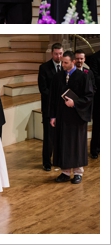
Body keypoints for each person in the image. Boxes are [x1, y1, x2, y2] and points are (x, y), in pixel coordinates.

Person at [50, 51, 94, 185]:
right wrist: (53, 116)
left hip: (77, 117)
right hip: (62, 117)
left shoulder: (83, 77)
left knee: (76, 145)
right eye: (62, 62)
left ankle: (78, 173)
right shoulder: (58, 77)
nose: (62, 64)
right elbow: (52, 98)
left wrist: (75, 103)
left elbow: (89, 96)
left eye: (65, 62)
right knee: (63, 144)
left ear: (73, 62)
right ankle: (65, 172)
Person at [38, 43, 64, 170]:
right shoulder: (44, 68)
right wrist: (58, 97)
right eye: (56, 54)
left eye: (60, 54)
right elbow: (43, 89)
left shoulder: (66, 67)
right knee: (48, 137)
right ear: (51, 54)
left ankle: (59, 160)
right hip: (49, 108)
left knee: (61, 136)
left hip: (63, 108)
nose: (58, 56)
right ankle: (47, 163)